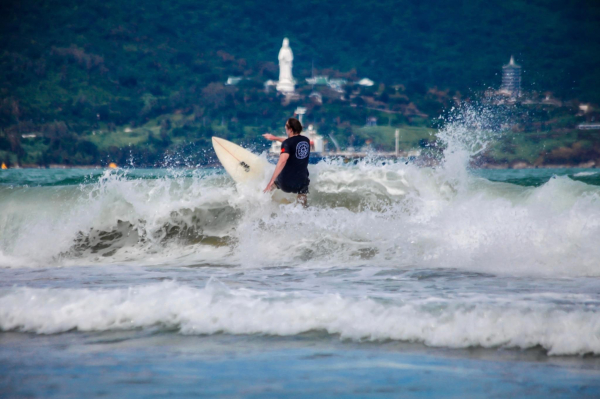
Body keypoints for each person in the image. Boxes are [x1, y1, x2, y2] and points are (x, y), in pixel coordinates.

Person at [263, 118, 310, 206]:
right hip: (301, 182)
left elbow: (283, 161)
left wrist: (271, 181)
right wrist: (275, 138)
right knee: (303, 190)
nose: (285, 128)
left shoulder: (287, 143)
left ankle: (264, 202)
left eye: (286, 126)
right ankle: (304, 213)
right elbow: (292, 142)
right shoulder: (306, 140)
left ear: (290, 129)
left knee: (273, 184)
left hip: (286, 183)